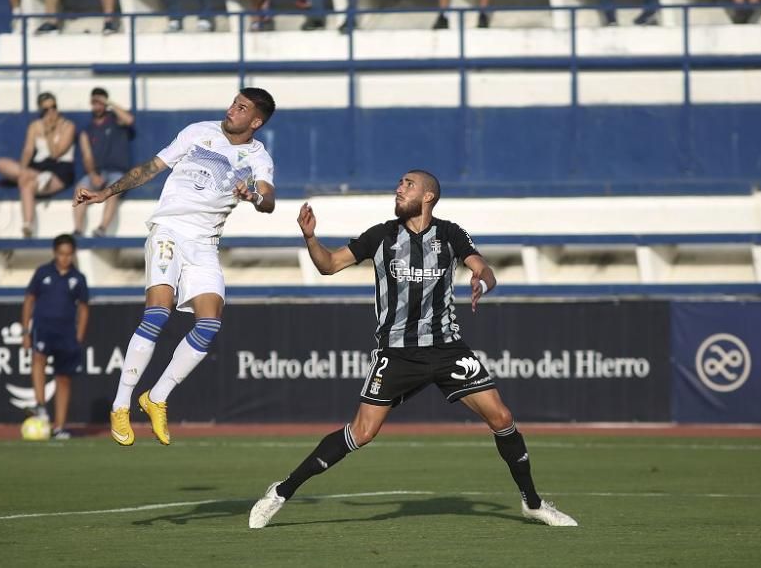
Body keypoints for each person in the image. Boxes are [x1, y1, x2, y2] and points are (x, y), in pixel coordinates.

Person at [248, 170, 578, 530]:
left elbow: (481, 265)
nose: (398, 188)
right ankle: (281, 491)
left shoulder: (450, 232)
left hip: (447, 348)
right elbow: (328, 265)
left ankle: (532, 503)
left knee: (501, 417)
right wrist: (310, 238)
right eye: (399, 184)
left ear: (428, 197)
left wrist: (483, 277)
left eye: (408, 184)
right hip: (398, 353)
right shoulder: (381, 236)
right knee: (362, 432)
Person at [74, 87, 277, 447]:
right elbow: (151, 167)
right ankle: (120, 406)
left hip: (204, 242)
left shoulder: (258, 156)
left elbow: (268, 199)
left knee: (210, 321)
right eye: (233, 101)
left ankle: (156, 396)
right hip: (169, 229)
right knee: (158, 312)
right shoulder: (197, 131)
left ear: (256, 121)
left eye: (242, 107)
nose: (232, 109)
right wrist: (107, 192)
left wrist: (254, 196)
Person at [21, 233, 89, 440]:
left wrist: (79, 335)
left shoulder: (78, 278)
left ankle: (59, 426)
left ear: (73, 254)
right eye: (61, 254)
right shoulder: (43, 273)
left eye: (69, 254)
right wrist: (25, 330)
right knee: (38, 359)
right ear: (55, 253)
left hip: (67, 333)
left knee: (63, 378)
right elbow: (29, 300)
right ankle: (41, 406)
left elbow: (84, 309)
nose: (65, 258)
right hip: (43, 328)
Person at [0, 92, 76, 238]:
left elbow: (56, 153)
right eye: (46, 110)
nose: (51, 112)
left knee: (27, 185)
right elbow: (28, 150)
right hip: (38, 169)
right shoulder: (34, 126)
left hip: (59, 170)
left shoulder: (68, 126)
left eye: (54, 107)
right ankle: (35, 180)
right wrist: (23, 170)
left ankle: (27, 223)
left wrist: (49, 131)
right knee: (1, 164)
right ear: (41, 111)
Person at [72, 87, 135, 237]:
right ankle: (78, 230)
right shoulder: (87, 130)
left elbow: (129, 119)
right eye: (94, 102)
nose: (97, 105)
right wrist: (93, 174)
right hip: (97, 172)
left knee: (112, 191)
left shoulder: (115, 120)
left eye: (100, 102)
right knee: (80, 189)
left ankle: (102, 228)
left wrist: (109, 103)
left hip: (117, 171)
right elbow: (87, 155)